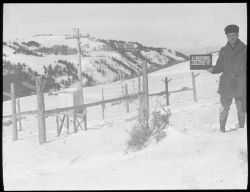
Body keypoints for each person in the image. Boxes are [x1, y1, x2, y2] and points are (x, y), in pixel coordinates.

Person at [208, 24, 246, 132]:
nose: (232, 37)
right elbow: (220, 66)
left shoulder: (244, 50)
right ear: (226, 36)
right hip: (226, 83)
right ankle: (221, 130)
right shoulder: (223, 50)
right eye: (229, 35)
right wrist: (212, 70)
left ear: (238, 35)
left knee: (241, 109)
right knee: (224, 108)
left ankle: (242, 131)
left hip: (241, 83)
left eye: (234, 35)